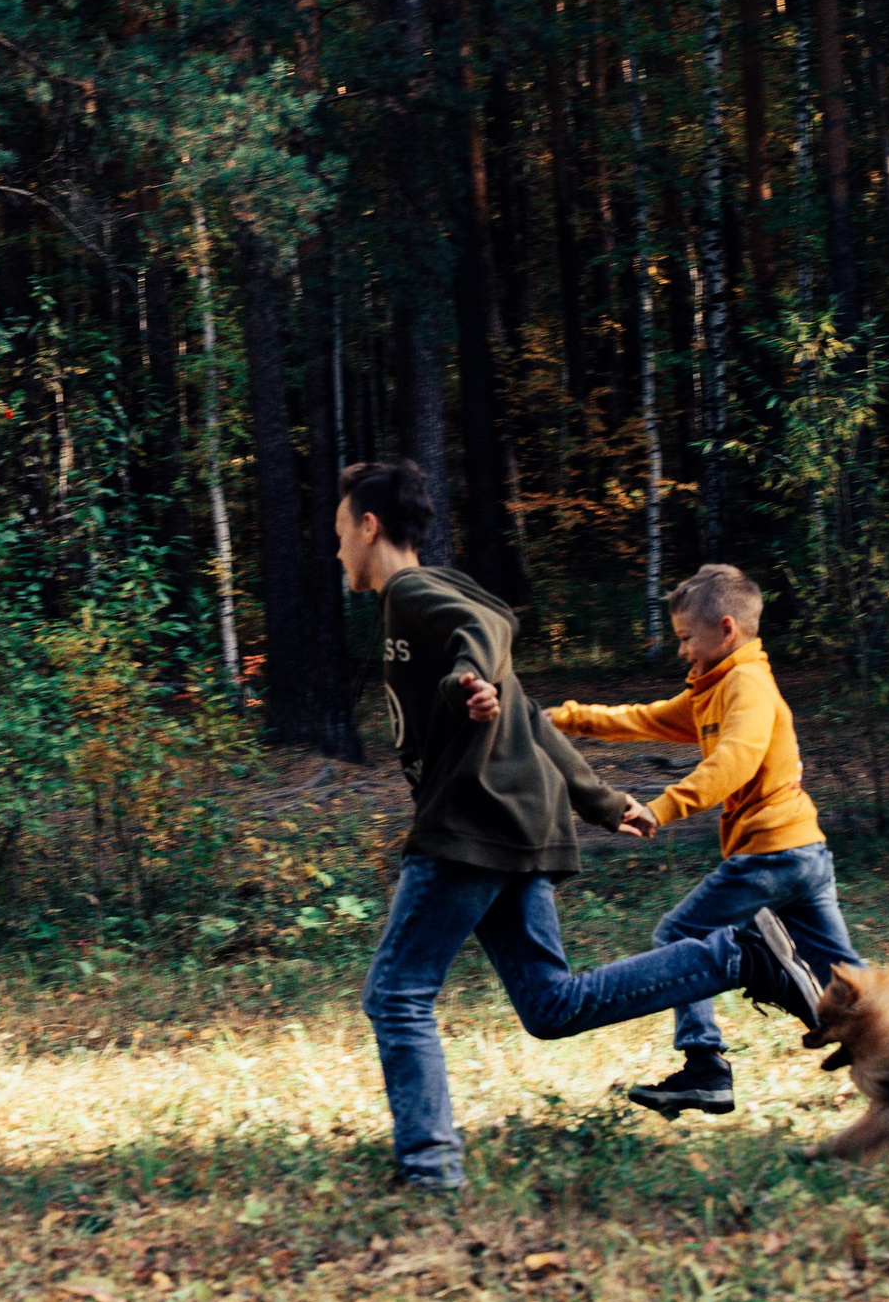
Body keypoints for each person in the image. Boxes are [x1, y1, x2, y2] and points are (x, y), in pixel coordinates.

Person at [336, 462, 826, 1191]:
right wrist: (602, 801)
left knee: (396, 994)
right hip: (520, 821)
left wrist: (466, 676)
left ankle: (429, 1170)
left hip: (472, 822)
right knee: (551, 1004)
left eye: (341, 533)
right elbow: (529, 714)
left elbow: (484, 630)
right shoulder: (431, 597)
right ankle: (737, 956)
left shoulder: (411, 592)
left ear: (369, 526)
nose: (339, 550)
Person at [471, 562, 861, 1119]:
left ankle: (705, 1065)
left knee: (681, 933)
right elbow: (645, 718)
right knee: (844, 971)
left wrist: (662, 807)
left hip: (771, 852)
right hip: (801, 852)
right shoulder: (714, 686)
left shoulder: (747, 685)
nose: (681, 651)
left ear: (726, 629)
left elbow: (735, 761)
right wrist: (565, 720)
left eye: (686, 638)